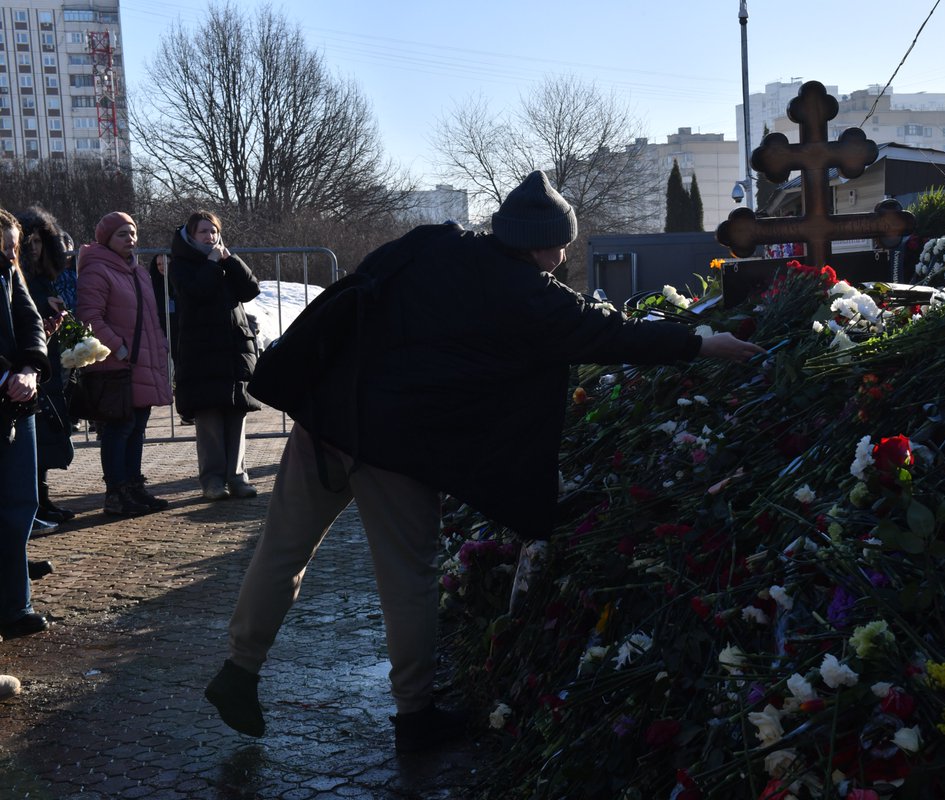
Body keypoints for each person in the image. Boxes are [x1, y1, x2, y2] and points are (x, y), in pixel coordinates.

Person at [204, 171, 764, 754]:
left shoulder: (433, 242)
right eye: (562, 242)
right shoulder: (527, 295)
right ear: (540, 242)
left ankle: (239, 670)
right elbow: (610, 334)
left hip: (328, 419)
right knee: (408, 580)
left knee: (282, 551)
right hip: (397, 449)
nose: (565, 253)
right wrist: (703, 343)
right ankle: (415, 716)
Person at [76, 212, 172, 517]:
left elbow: (150, 318)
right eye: (121, 234)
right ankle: (116, 493)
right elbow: (89, 317)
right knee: (120, 429)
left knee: (137, 427)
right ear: (106, 238)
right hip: (115, 365)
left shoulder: (138, 272)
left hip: (140, 362)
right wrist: (118, 347)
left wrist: (158, 348)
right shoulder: (97, 270)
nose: (130, 239)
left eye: (132, 233)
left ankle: (133, 487)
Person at [169, 211, 261, 500]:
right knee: (209, 422)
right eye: (203, 232)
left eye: (213, 231)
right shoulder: (181, 265)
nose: (209, 237)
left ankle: (238, 477)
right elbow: (195, 293)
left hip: (233, 351)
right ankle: (212, 480)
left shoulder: (225, 260)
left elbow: (250, 289)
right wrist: (210, 264)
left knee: (236, 417)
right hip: (202, 353)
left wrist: (231, 260)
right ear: (190, 235)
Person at [0, 206, 52, 640]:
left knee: (21, 506)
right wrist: (5, 375)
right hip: (6, 389)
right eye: (8, 242)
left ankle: (16, 605)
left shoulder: (11, 273)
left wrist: (31, 369)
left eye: (16, 242)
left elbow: (30, 321)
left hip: (18, 403)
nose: (15, 250)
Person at [17, 207, 76, 525]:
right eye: (31, 242)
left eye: (41, 241)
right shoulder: (19, 278)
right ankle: (35, 504)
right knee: (34, 439)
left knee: (47, 439)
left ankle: (43, 499)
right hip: (27, 368)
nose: (35, 247)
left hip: (47, 363)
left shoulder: (46, 277)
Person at [149, 253, 191, 426]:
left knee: (182, 372)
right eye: (158, 264)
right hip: (158, 332)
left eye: (165, 263)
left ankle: (186, 412)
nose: (162, 267)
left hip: (180, 332)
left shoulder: (181, 281)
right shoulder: (152, 284)